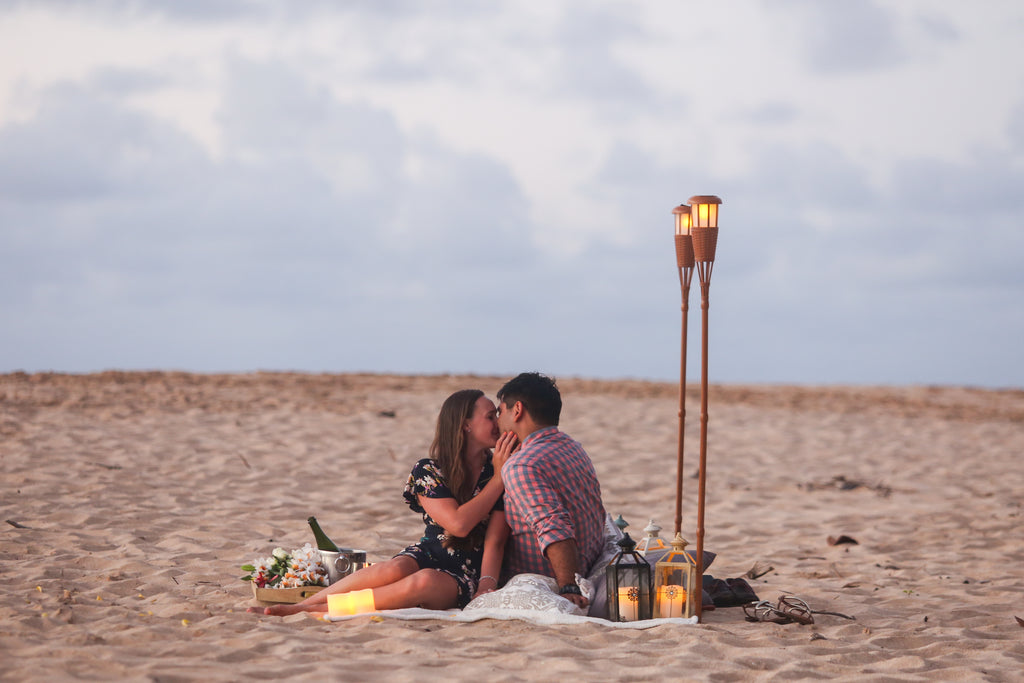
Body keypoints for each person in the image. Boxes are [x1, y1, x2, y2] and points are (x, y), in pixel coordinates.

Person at [248, 389, 518, 616]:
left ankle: (323, 610)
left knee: (422, 582)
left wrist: (486, 584)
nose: (498, 422)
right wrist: (497, 479)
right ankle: (306, 605)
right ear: (466, 425)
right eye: (490, 416)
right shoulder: (430, 471)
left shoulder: (498, 473)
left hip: (469, 570)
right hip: (430, 551)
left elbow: (494, 540)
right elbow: (456, 523)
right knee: (393, 568)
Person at [495, 372, 606, 610]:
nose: (497, 420)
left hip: (546, 579)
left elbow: (553, 525)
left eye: (499, 411)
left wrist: (568, 587)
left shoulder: (521, 465)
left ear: (517, 410)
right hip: (590, 562)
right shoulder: (573, 448)